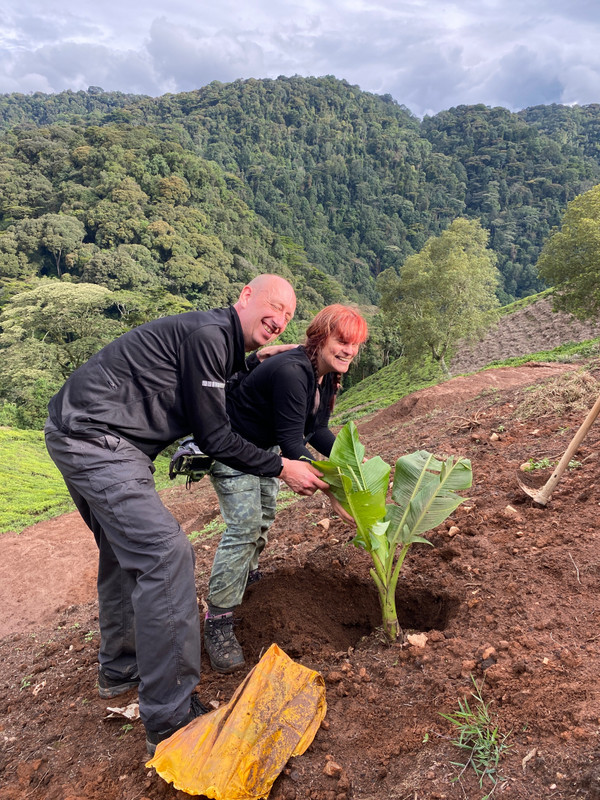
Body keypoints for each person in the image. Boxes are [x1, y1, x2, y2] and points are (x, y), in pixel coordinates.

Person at [43, 274, 328, 756]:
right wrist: (282, 466)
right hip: (98, 437)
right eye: (273, 305)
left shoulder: (217, 343)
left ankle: (121, 667)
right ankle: (170, 715)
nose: (279, 320)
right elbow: (215, 436)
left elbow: (210, 393)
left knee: (122, 551)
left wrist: (251, 362)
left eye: (288, 316)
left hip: (86, 430)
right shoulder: (209, 336)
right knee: (165, 555)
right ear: (244, 296)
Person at [203, 304, 368, 673]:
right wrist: (335, 491)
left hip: (262, 450)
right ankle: (218, 620)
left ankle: (247, 582)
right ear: (322, 337)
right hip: (233, 448)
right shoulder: (295, 373)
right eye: (342, 341)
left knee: (263, 519)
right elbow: (294, 446)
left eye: (354, 345)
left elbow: (317, 432)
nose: (348, 351)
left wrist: (359, 465)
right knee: (244, 528)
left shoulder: (325, 378)